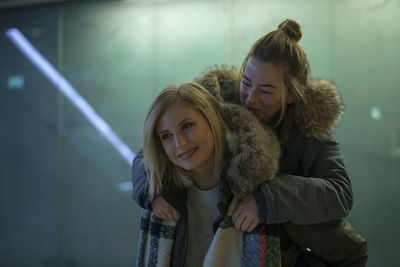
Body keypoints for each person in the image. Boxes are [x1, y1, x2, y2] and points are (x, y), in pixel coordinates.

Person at [193, 19, 368, 266]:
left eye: (265, 90)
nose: (250, 98)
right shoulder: (211, 104)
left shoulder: (309, 134)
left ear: (291, 96)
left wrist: (268, 199)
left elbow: (339, 194)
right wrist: (153, 192)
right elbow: (153, 150)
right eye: (246, 82)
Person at [133, 82, 282, 267]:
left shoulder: (258, 192)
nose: (180, 143)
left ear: (212, 120)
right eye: (166, 136)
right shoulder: (159, 195)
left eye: (187, 126)